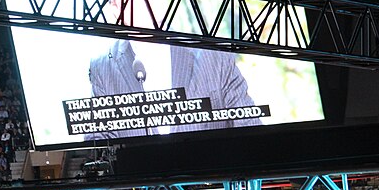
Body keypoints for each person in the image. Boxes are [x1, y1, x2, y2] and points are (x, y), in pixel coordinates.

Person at [86, 40, 262, 139]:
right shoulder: (102, 68)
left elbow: (251, 130)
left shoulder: (214, 55)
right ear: (114, 6)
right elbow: (98, 144)